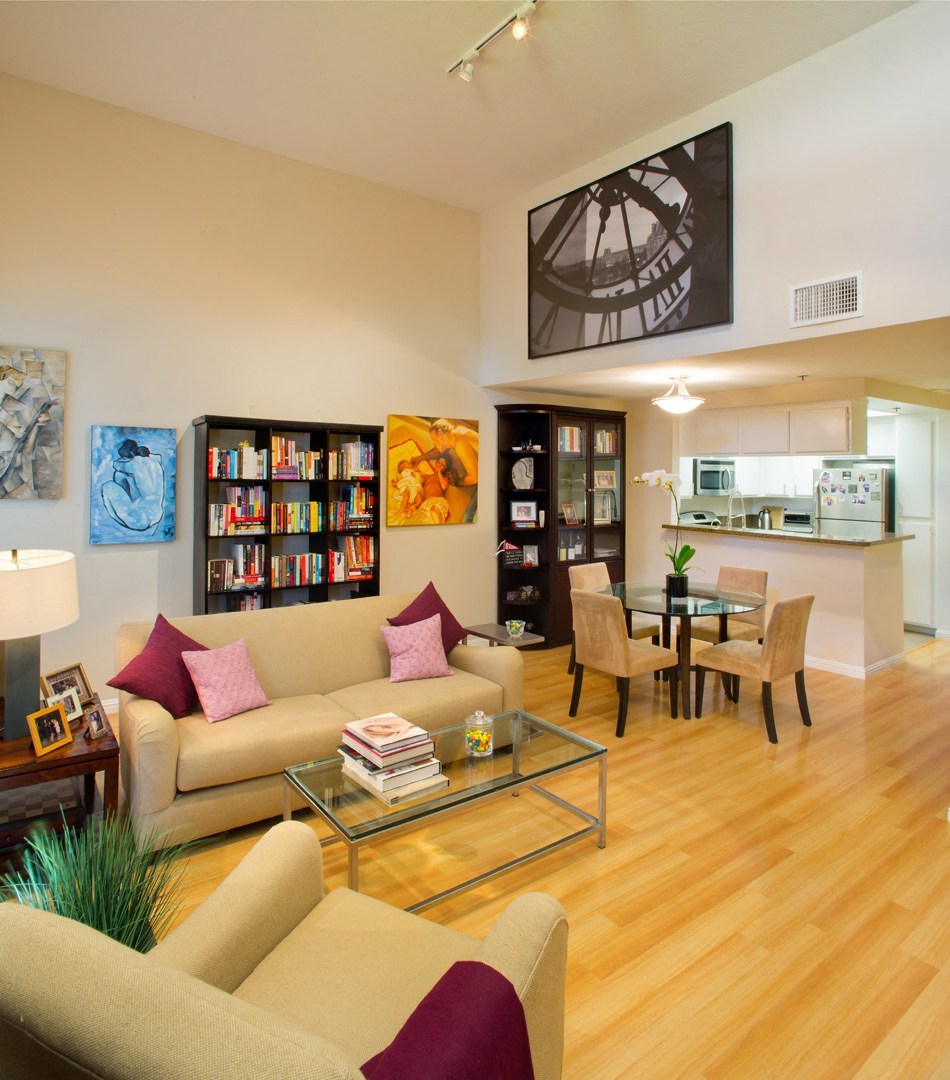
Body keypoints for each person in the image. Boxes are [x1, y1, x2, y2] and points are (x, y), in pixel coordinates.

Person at [412, 418, 479, 523]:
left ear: (439, 432)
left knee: (467, 518)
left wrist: (457, 482)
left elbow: (475, 478)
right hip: (487, 471)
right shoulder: (454, 433)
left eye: (434, 439)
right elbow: (439, 450)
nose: (434, 443)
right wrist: (420, 457)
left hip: (492, 478)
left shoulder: (460, 442)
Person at [101, 437, 166, 533]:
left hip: (140, 519)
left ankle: (124, 521)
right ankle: (128, 518)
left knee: (108, 485)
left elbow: (116, 465)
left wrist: (125, 460)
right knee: (123, 476)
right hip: (156, 515)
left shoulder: (136, 464)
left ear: (131, 453)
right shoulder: (155, 461)